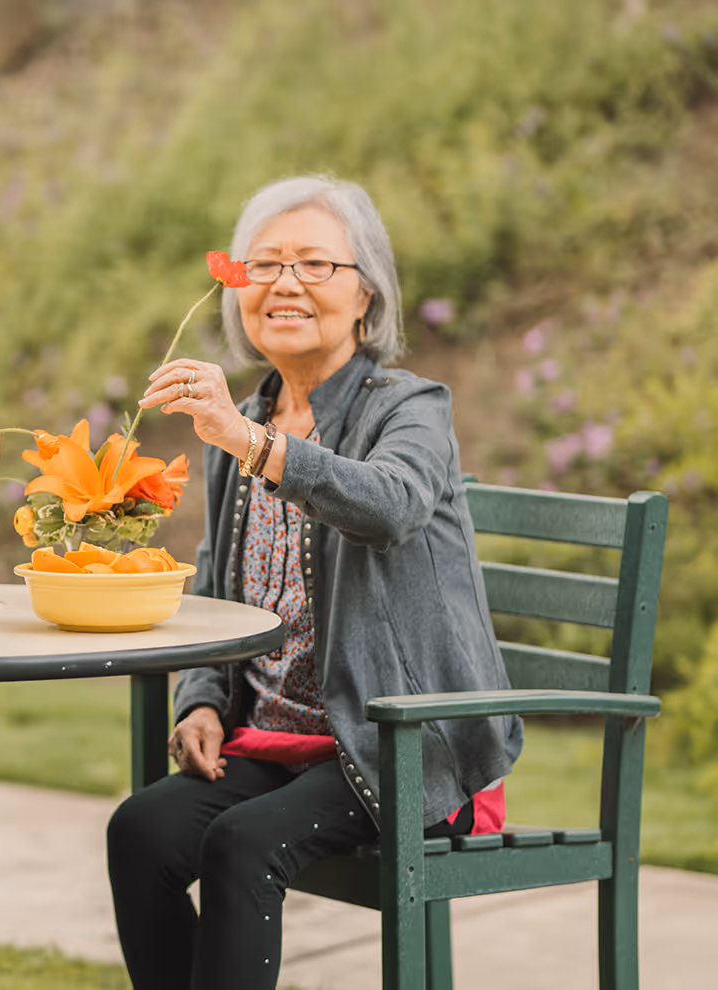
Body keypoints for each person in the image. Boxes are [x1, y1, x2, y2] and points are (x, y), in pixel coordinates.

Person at [107, 174, 523, 989]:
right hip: (277, 740)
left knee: (242, 842)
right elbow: (216, 582)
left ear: (366, 296)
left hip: (396, 745)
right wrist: (199, 693)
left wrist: (247, 442)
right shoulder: (250, 416)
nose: (286, 283)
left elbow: (393, 504)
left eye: (314, 266)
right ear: (239, 294)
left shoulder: (410, 407)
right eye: (266, 265)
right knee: (141, 831)